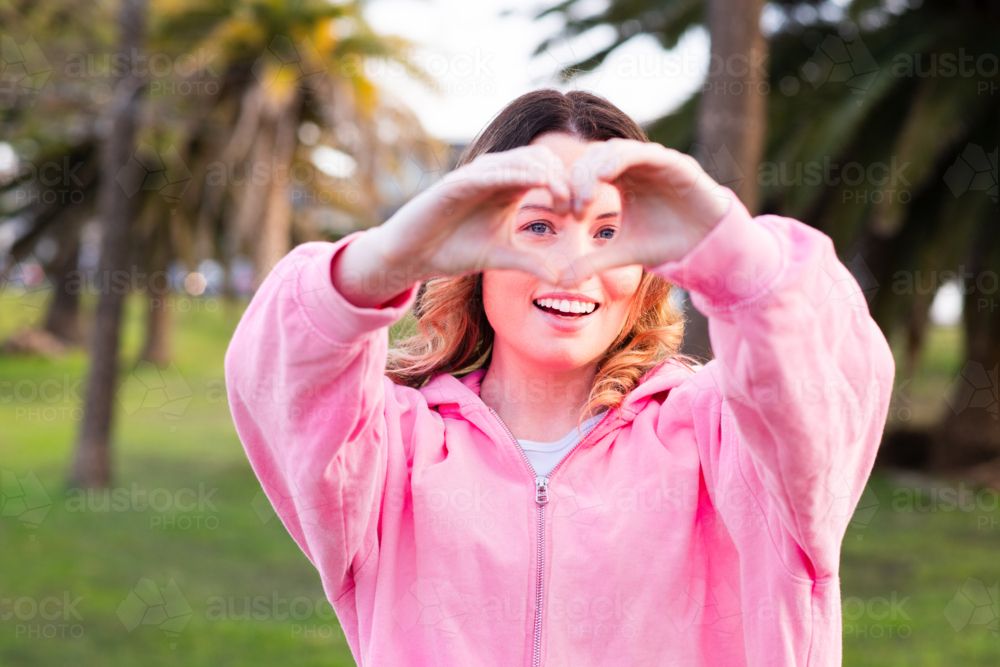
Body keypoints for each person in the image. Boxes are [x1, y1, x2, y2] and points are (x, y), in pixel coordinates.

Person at [224, 88, 896, 666]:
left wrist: (732, 251)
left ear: (650, 265)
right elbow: (277, 371)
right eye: (536, 226)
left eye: (610, 232)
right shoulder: (388, 457)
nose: (572, 265)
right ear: (471, 251)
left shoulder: (727, 440)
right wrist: (388, 256)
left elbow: (837, 375)